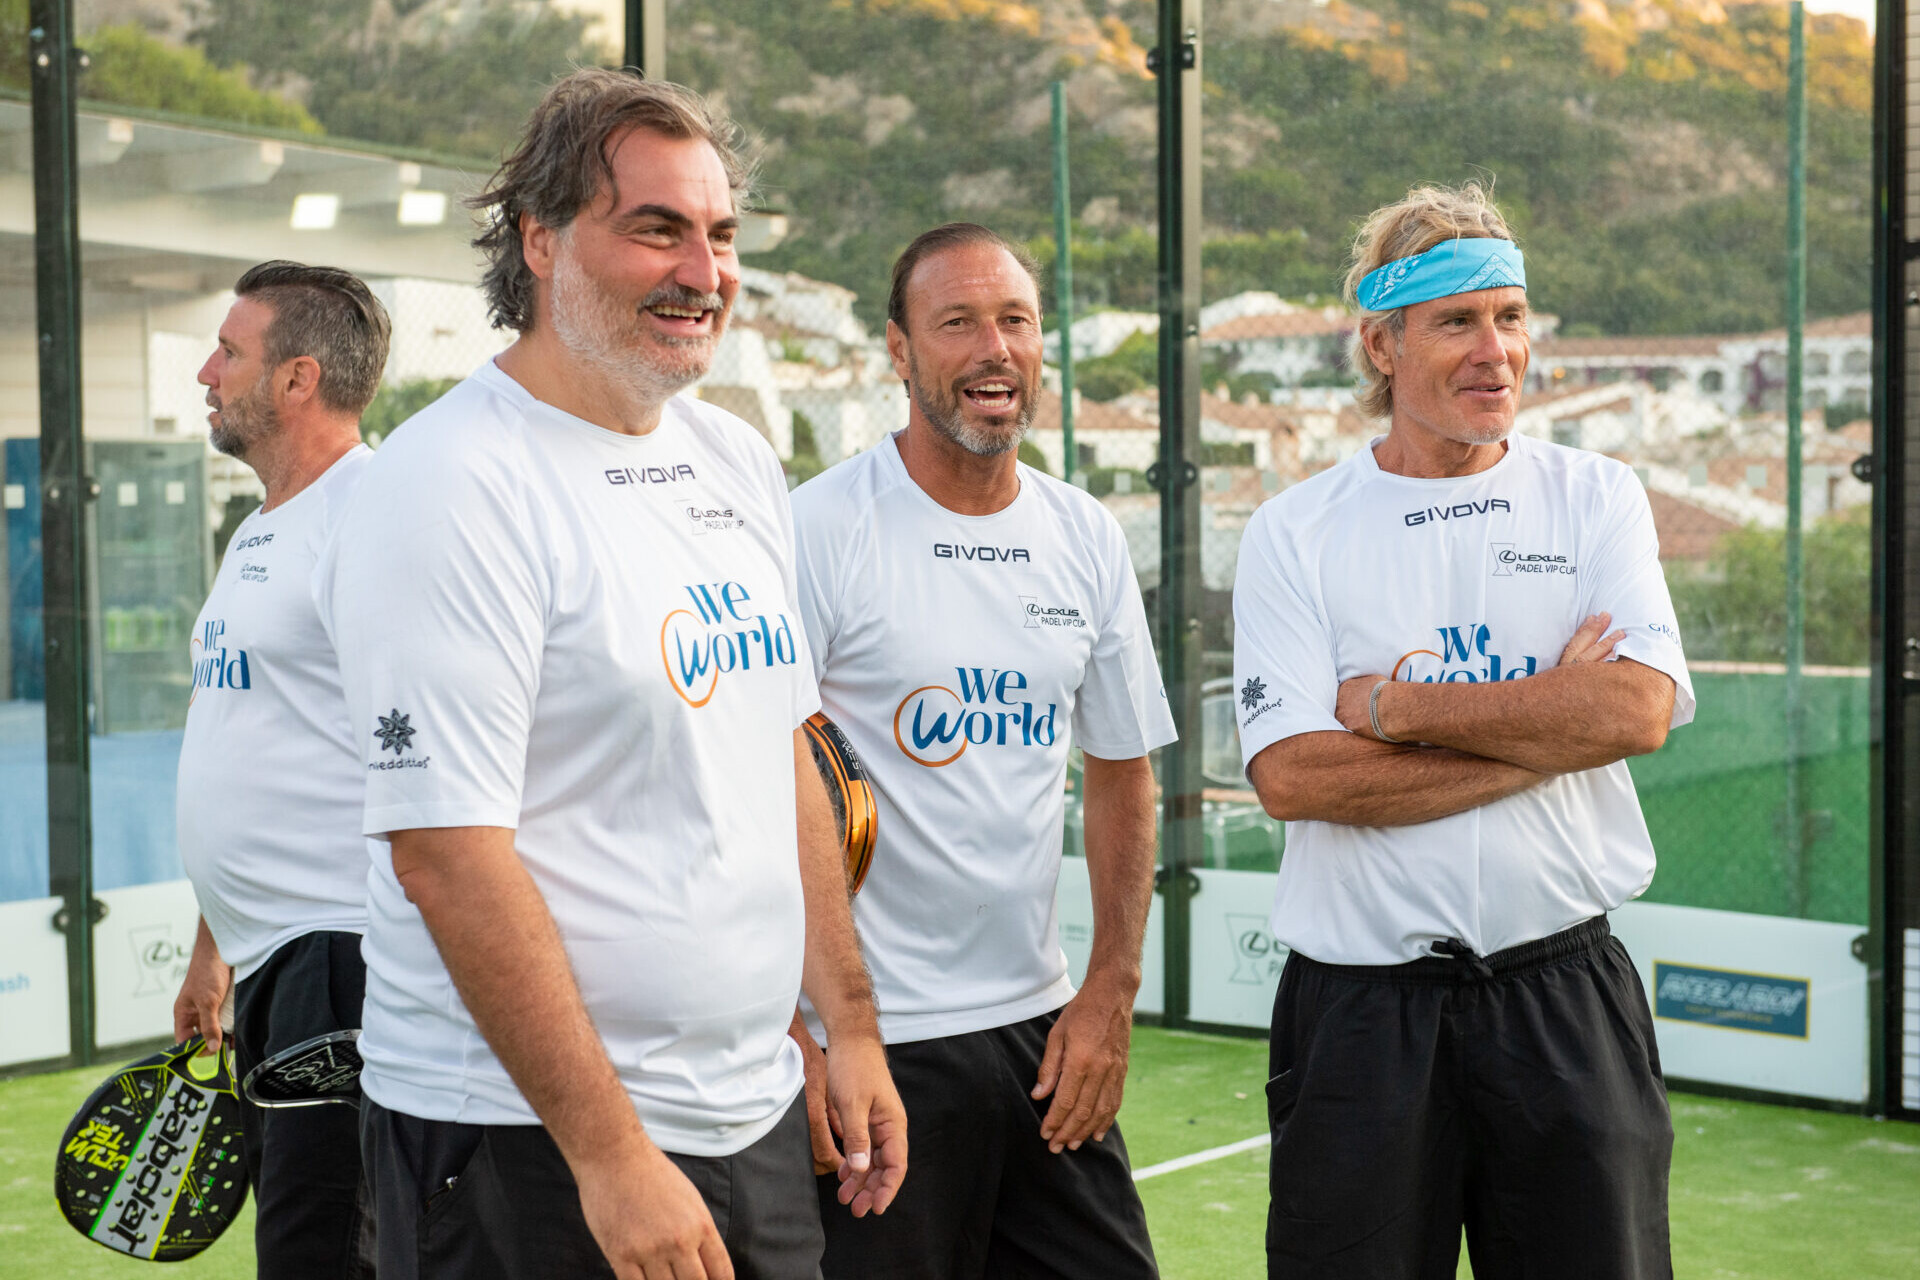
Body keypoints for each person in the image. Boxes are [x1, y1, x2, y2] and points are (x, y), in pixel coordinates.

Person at [314, 69, 905, 1280]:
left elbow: (782, 753)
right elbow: (447, 854)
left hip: (747, 1115)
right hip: (524, 1145)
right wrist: (613, 1154)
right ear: (539, 239)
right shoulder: (449, 482)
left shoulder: (735, 457)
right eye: (656, 228)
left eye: (720, 233)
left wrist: (847, 1024)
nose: (703, 271)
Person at [1231, 182, 1694, 1279]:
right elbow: (1296, 778)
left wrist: (1394, 711)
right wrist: (1550, 722)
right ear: (1382, 344)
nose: (1497, 351)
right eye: (1457, 322)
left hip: (1565, 998)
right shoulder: (1294, 531)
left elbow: (1633, 710)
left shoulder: (1598, 495)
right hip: (1360, 1018)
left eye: (1511, 316)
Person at [788, 222, 1176, 1279]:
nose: (993, 348)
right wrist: (796, 1029)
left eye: (1015, 320)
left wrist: (1109, 989)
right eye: (956, 322)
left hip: (1041, 1032)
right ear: (899, 350)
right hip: (876, 1045)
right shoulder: (818, 529)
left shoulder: (1085, 534)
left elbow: (1123, 769)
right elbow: (746, 786)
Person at [172, 259, 392, 1278]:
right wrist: (212, 950)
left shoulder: (374, 518)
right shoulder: (260, 529)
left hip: (341, 957)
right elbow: (250, 736)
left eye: (229, 351)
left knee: (325, 1247)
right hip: (271, 959)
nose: (206, 373)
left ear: (298, 378)